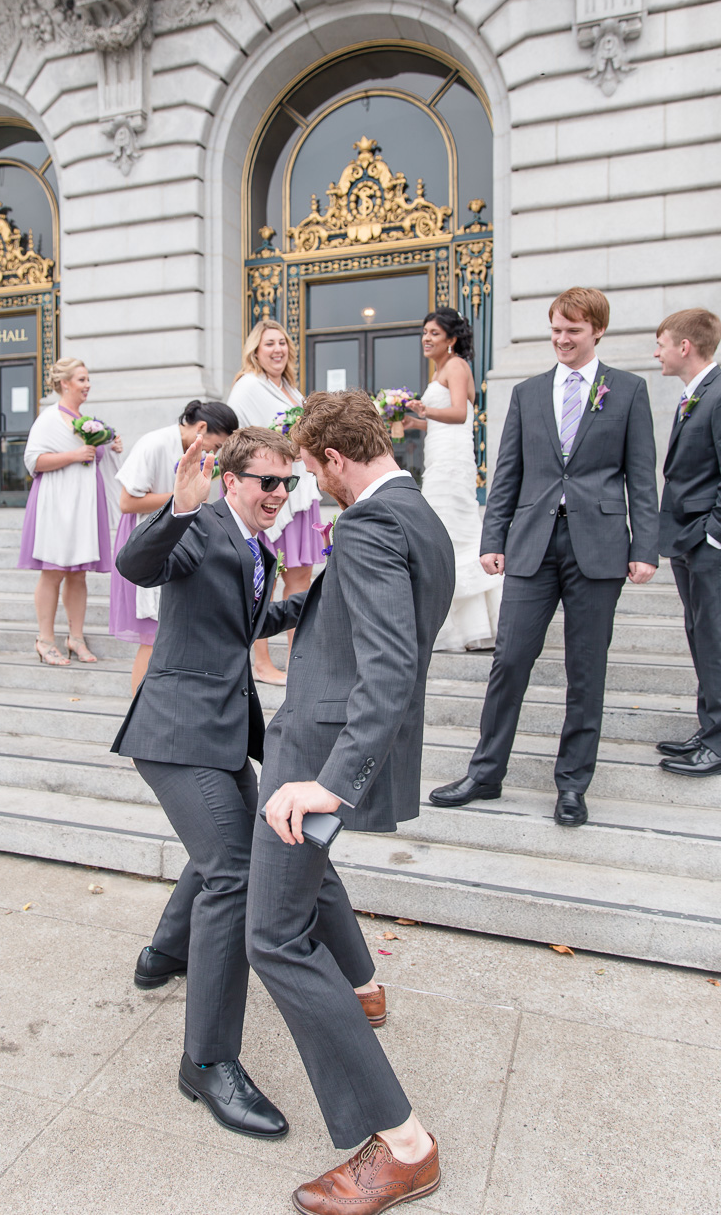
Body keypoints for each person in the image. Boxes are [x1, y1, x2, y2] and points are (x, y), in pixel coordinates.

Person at [245, 389, 455, 1214]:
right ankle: (363, 987)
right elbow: (352, 607)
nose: (313, 490)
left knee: (272, 936)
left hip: (318, 754)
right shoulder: (412, 510)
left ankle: (403, 1144)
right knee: (310, 890)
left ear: (334, 458)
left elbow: (391, 662)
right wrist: (266, 613)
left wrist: (328, 781)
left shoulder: (367, 524)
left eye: (312, 473)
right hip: (331, 740)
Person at [110, 427, 310, 1139]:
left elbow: (244, 625)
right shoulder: (202, 528)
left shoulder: (260, 546)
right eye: (267, 482)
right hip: (174, 733)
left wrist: (310, 602)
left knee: (219, 847)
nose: (279, 496)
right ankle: (207, 1061)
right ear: (230, 480)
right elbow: (137, 564)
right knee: (234, 870)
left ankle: (163, 953)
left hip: (221, 732)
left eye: (288, 484)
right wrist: (180, 509)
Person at [430, 287, 659, 827]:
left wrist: (645, 546)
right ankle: (485, 774)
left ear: (597, 331)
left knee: (586, 669)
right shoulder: (530, 393)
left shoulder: (627, 391)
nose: (561, 339)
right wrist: (493, 538)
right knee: (509, 660)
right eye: (555, 329)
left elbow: (642, 477)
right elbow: (507, 471)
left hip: (599, 549)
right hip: (532, 544)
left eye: (572, 331)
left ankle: (573, 785)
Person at [109, 399, 238, 693]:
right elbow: (127, 502)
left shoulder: (191, 448)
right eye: (216, 446)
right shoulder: (154, 443)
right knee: (151, 637)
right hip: (149, 540)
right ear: (202, 428)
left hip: (179, 538)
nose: (215, 454)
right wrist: (183, 497)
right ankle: (138, 711)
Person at [228, 319, 322, 685]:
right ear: (256, 349)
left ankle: (299, 660)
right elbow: (239, 440)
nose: (277, 350)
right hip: (269, 493)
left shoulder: (291, 390)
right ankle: (262, 663)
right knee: (263, 579)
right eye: (269, 344)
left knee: (300, 576)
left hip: (300, 491)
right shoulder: (247, 387)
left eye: (282, 343)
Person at [406, 307, 502, 650]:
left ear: (452, 339)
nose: (426, 339)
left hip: (452, 462)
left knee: (451, 531)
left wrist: (425, 410)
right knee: (443, 531)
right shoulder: (440, 370)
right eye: (424, 332)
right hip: (439, 455)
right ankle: (457, 623)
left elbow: (460, 412)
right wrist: (414, 423)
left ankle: (474, 626)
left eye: (434, 333)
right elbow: (442, 418)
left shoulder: (457, 366)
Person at [18, 358, 122, 666]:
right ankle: (45, 639)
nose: (87, 384)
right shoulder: (49, 419)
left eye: (87, 379)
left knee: (78, 574)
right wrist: (74, 454)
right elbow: (33, 460)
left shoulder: (89, 420)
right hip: (56, 501)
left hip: (84, 502)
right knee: (53, 572)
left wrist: (111, 445)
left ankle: (75, 638)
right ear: (65, 384)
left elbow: (96, 459)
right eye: (81, 379)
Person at [652, 308, 721, 777]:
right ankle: (709, 727)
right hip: (685, 538)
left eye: (660, 343)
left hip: (706, 541)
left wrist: (713, 535)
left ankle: (717, 744)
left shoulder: (718, 396)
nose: (655, 352)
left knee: (715, 637)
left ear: (684, 347)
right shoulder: (695, 395)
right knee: (701, 635)